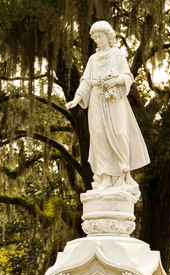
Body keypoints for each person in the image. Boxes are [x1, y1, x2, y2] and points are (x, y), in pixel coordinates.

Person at [66, 21, 150, 191]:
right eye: (95, 37)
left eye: (100, 36)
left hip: (114, 100)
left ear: (108, 36)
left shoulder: (117, 54)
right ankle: (105, 176)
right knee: (99, 136)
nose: (97, 40)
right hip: (97, 101)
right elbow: (86, 81)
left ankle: (123, 173)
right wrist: (77, 98)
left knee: (119, 133)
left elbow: (128, 76)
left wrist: (114, 81)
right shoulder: (93, 59)